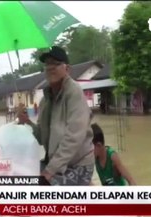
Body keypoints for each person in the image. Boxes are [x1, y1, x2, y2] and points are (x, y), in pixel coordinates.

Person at [17, 46, 94, 185]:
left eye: (55, 63)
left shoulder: (74, 93)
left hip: (77, 164)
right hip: (54, 162)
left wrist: (50, 170)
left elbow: (74, 137)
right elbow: (41, 138)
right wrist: (26, 122)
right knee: (20, 176)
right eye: (47, 64)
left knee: (40, 189)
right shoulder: (45, 100)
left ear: (67, 69)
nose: (50, 67)